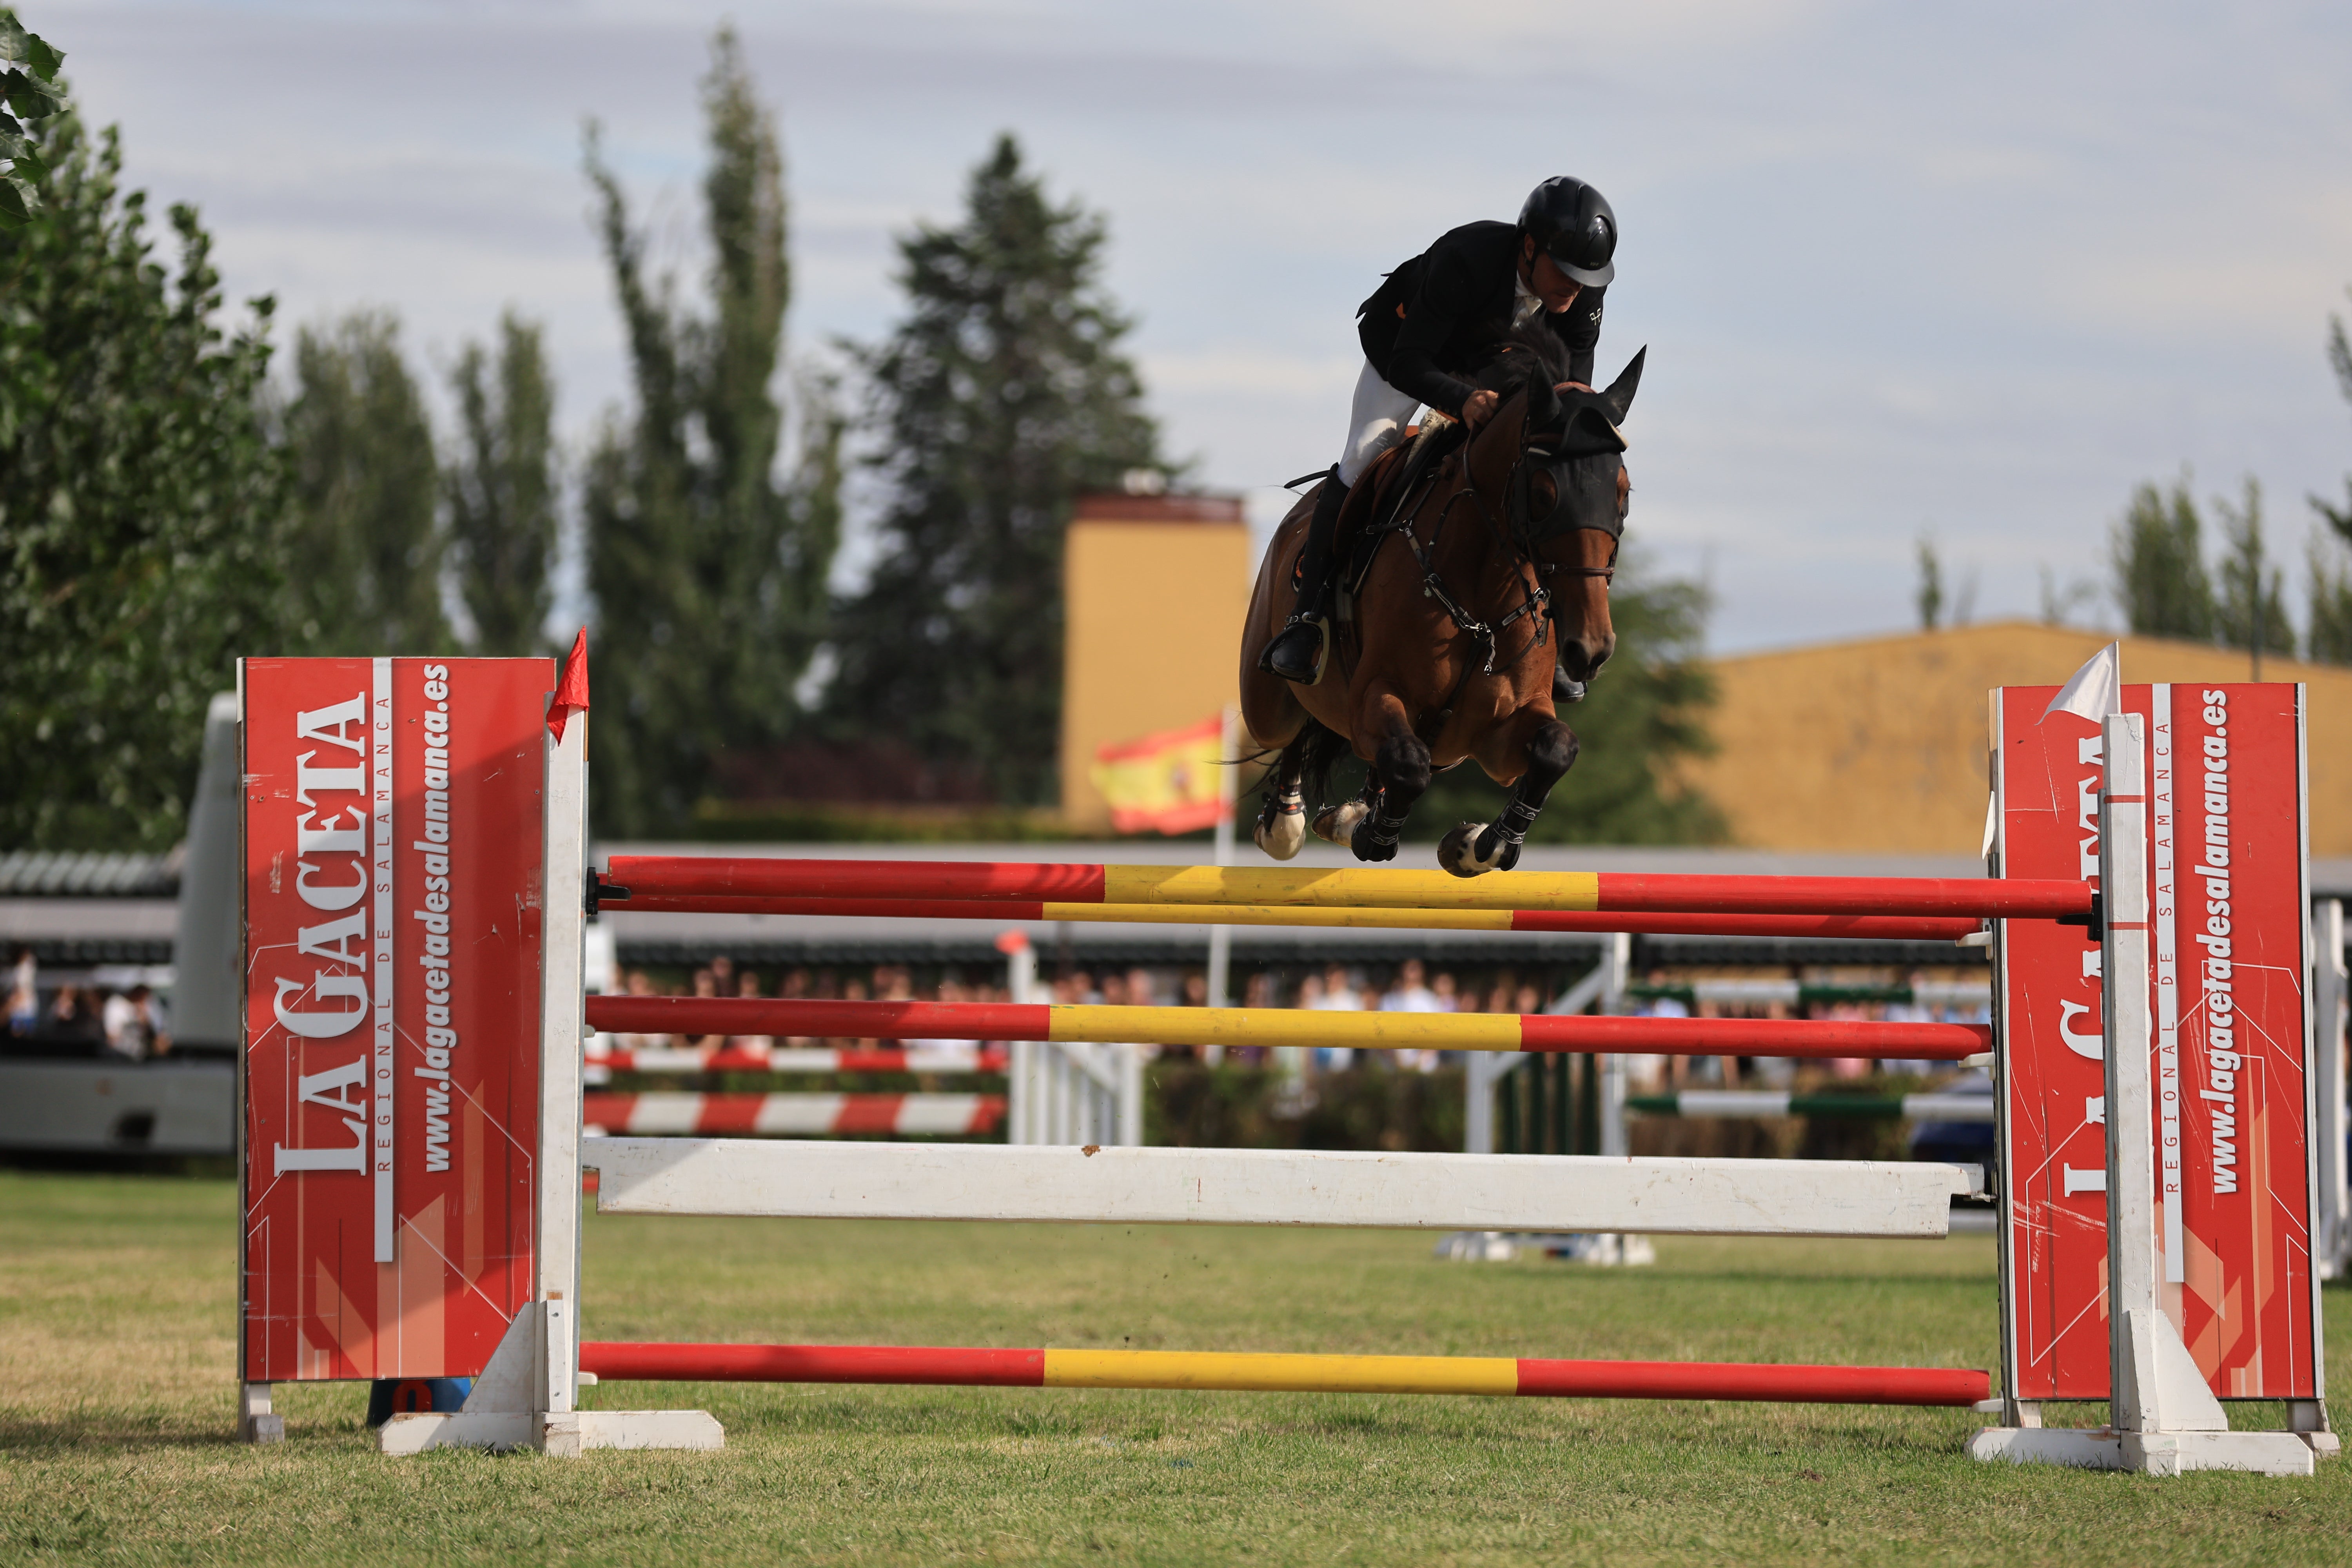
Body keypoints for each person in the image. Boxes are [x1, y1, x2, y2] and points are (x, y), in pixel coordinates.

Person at [1260, 175, 1619, 696]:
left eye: (1586, 276)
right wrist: (1460, 400)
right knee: (1367, 452)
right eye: (1564, 271)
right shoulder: (1466, 258)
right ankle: (1307, 618)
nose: (1575, 286)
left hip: (1492, 363)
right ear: (1528, 247)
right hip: (1408, 352)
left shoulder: (1585, 293)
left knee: (1540, 477)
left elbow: (1570, 387)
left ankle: (1553, 635)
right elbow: (1410, 361)